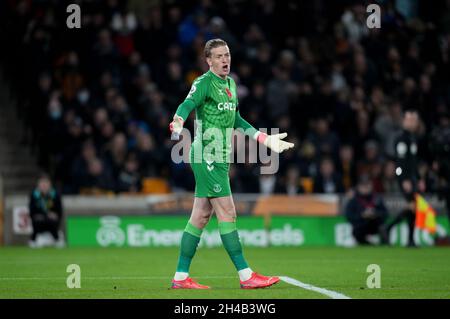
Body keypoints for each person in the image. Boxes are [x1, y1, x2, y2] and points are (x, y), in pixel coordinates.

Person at [169, 38, 294, 289]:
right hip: (207, 155)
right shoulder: (203, 83)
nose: (224, 60)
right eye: (218, 56)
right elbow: (187, 104)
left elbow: (236, 119)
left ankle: (181, 277)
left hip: (221, 157)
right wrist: (178, 121)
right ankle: (246, 275)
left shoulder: (231, 84)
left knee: (201, 216)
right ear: (208, 61)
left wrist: (264, 138)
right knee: (228, 212)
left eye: (227, 55)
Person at [384, 110, 423, 247]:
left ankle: (409, 239)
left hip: (412, 178)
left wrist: (419, 178)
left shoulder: (412, 138)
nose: (413, 123)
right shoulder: (401, 138)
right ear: (404, 121)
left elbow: (413, 162)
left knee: (413, 208)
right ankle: (388, 228)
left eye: (414, 120)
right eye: (410, 120)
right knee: (412, 206)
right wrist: (402, 178)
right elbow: (399, 163)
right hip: (405, 178)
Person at [345, 175, 389, 245]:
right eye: (363, 185)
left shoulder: (377, 198)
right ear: (358, 186)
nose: (365, 188)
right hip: (361, 225)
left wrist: (375, 213)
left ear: (371, 185)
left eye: (367, 185)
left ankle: (385, 243)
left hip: (374, 225)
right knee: (356, 231)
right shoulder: (354, 200)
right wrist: (362, 215)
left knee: (383, 227)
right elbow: (349, 216)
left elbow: (385, 213)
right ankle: (368, 244)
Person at [28, 174, 64, 247]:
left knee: (52, 220)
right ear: (38, 184)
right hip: (38, 218)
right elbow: (32, 209)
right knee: (38, 220)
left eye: (46, 183)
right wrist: (43, 214)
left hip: (51, 219)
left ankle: (57, 239)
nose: (44, 185)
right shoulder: (34, 195)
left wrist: (54, 214)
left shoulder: (55, 194)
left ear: (50, 184)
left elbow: (59, 210)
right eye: (42, 183)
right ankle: (33, 240)